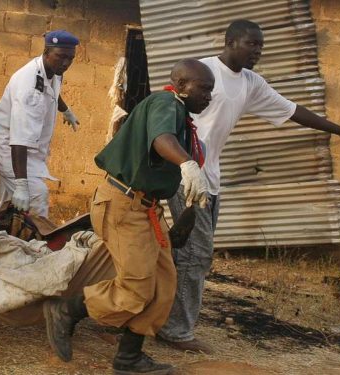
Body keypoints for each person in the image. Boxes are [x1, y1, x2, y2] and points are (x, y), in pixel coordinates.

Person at [156, 19, 340, 354]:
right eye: (251, 44)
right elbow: (165, 111)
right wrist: (182, 164)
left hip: (211, 179)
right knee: (195, 255)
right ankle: (175, 331)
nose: (258, 51)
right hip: (185, 176)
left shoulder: (250, 83)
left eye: (261, 45)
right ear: (230, 41)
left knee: (185, 254)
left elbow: (292, 111)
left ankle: (155, 317)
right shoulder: (202, 72)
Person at [42, 59, 214, 375]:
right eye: (203, 89)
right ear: (180, 86)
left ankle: (128, 358)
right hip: (123, 204)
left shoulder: (181, 115)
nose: (209, 96)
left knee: (164, 284)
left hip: (145, 208)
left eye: (211, 91)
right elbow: (162, 141)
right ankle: (67, 309)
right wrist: (188, 164)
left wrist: (187, 210)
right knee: (137, 287)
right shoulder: (165, 102)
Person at [0, 30, 80, 218]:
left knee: (11, 207)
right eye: (61, 56)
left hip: (17, 144)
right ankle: (36, 245)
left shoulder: (52, 70)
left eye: (70, 58)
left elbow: (52, 89)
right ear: (46, 52)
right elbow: (19, 138)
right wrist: (22, 185)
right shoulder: (29, 87)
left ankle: (3, 238)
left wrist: (65, 110)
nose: (66, 63)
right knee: (36, 195)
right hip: (4, 143)